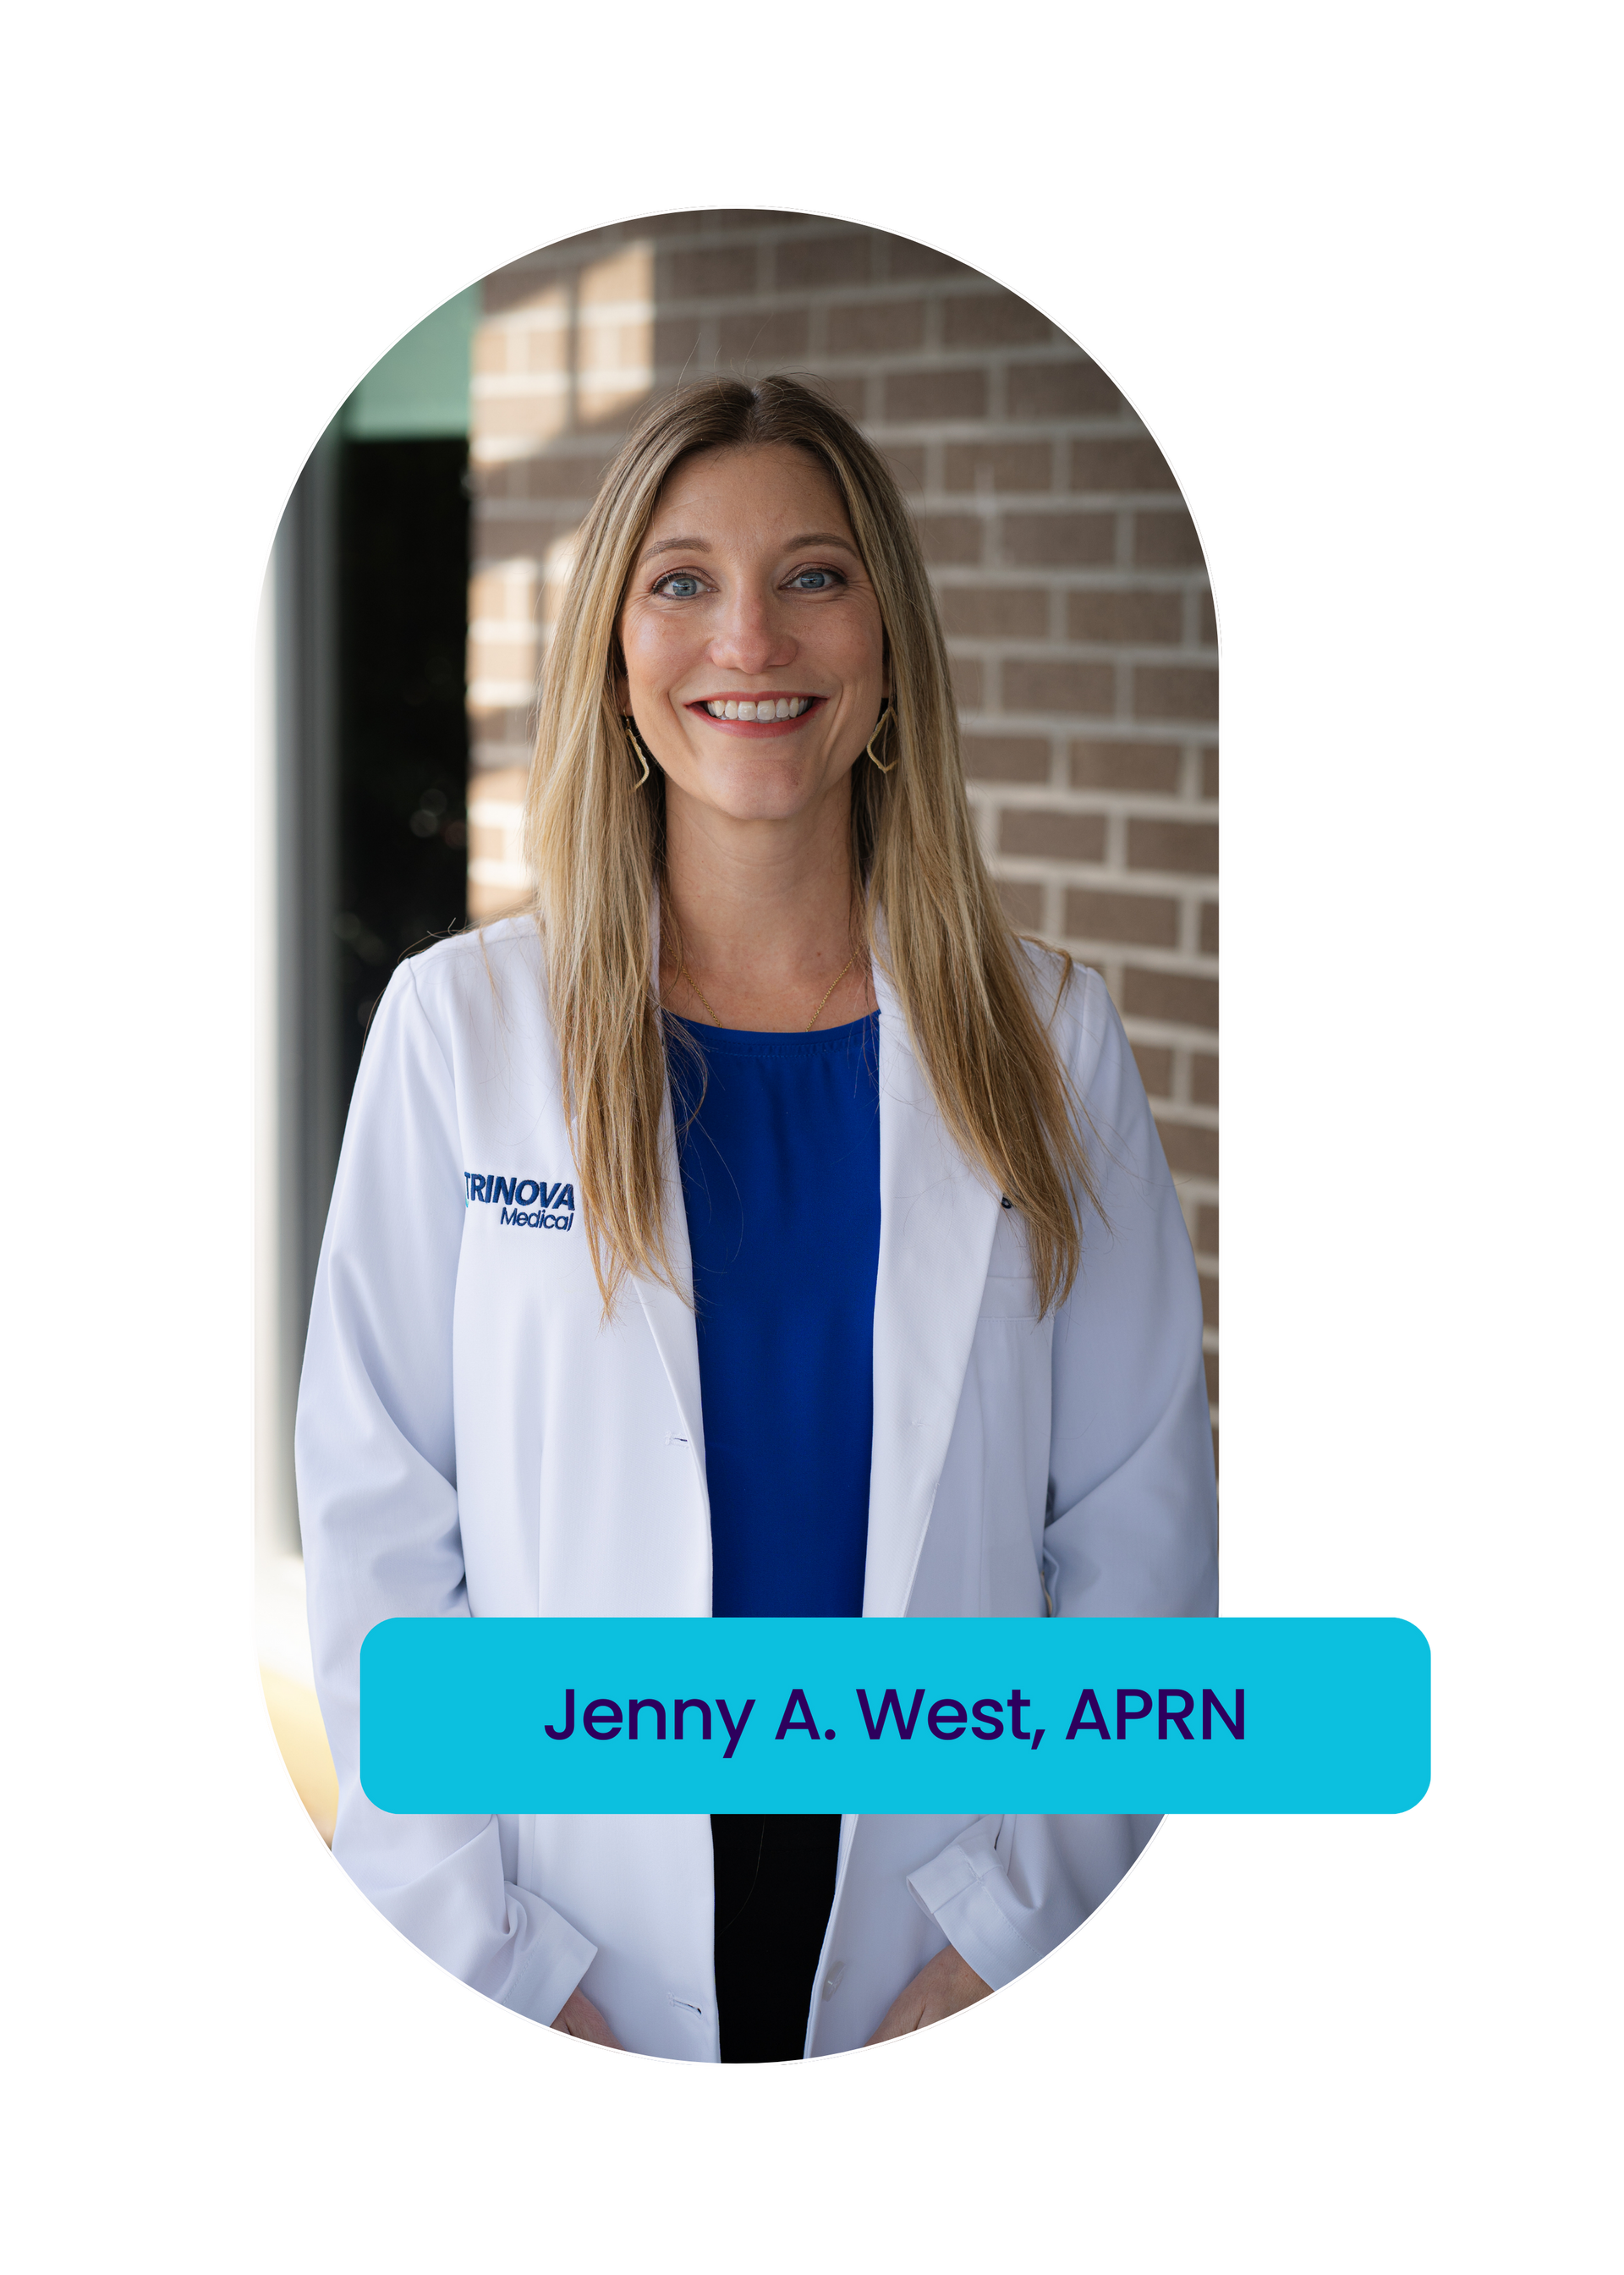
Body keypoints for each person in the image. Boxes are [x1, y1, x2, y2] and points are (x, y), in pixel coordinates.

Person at [295, 374, 1218, 2065]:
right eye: (682, 581)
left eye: (813, 574)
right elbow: (378, 1542)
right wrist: (492, 1951)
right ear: (615, 648)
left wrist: (1010, 1936)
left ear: (886, 645)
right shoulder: (456, 1034)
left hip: (942, 1923)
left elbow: (1142, 1543)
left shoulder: (1050, 1037)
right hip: (553, 1930)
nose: (751, 639)